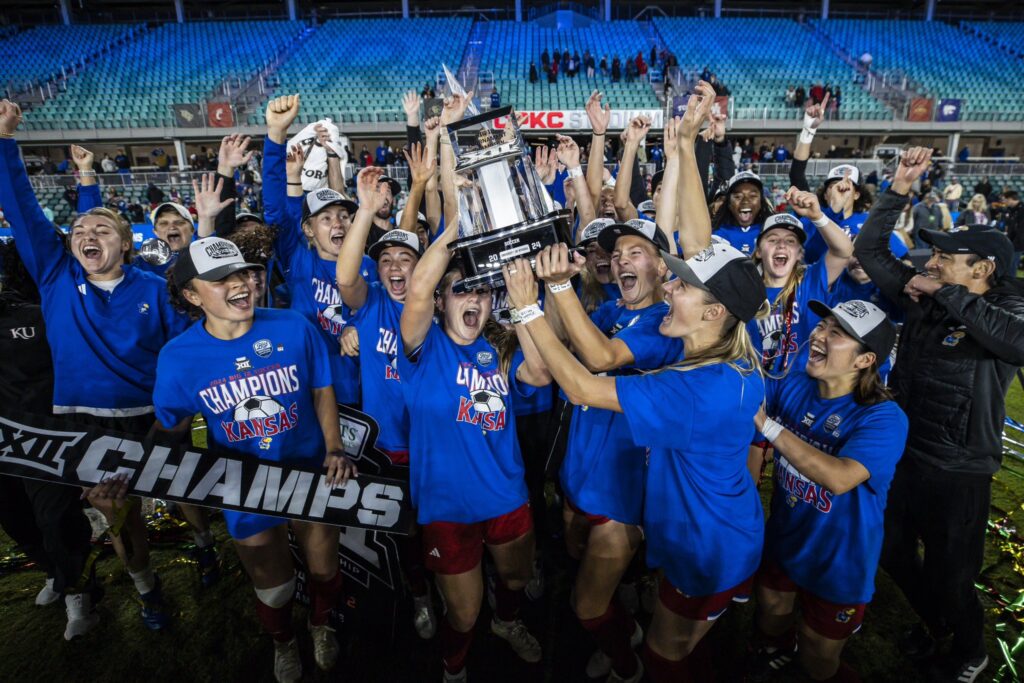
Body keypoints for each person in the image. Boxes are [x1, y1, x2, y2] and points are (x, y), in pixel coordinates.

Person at [503, 237, 768, 683]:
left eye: (682, 287)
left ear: (713, 312)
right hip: (712, 531)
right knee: (680, 646)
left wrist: (529, 308)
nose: (669, 290)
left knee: (666, 657)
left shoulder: (700, 387)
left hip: (708, 546)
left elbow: (585, 388)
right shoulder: (721, 365)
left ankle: (631, 667)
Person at [0, 99, 193, 633]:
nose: (87, 234)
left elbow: (186, 354)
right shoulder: (57, 278)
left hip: (156, 417)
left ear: (127, 245)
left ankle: (201, 545)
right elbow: (21, 210)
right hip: (86, 424)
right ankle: (148, 588)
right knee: (120, 514)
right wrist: (5, 140)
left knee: (188, 497)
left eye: (103, 230)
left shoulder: (158, 291)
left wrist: (173, 412)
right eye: (79, 229)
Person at [397, 91, 552, 682]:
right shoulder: (421, 345)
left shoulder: (502, 344)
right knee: (461, 614)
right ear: (441, 301)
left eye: (480, 293)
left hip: (506, 496)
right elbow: (416, 289)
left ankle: (508, 620)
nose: (473, 300)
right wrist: (465, 222)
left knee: (513, 581)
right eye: (461, 291)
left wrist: (523, 305)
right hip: (445, 507)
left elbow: (539, 376)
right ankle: (455, 665)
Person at [856, 147, 1024, 683]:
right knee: (894, 551)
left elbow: (1015, 341)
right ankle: (938, 626)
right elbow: (871, 250)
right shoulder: (924, 297)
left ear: (983, 268)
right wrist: (899, 187)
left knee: (954, 575)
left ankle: (970, 649)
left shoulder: (1009, 307)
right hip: (908, 452)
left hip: (960, 470)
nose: (931, 263)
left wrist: (947, 294)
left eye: (945, 258)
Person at [157, 236, 356, 682]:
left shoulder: (293, 326)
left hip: (307, 471)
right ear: (191, 295)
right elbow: (169, 426)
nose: (242, 284)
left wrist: (334, 448)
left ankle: (321, 624)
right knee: (276, 586)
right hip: (243, 485)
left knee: (326, 570)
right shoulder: (177, 358)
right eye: (221, 278)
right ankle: (283, 641)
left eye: (244, 273)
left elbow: (321, 387)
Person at [544, 218, 682, 682]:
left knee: (585, 604)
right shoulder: (612, 309)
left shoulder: (664, 324)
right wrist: (544, 290)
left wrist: (558, 284)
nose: (621, 258)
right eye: (617, 252)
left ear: (663, 268)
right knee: (578, 559)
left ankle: (627, 666)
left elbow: (602, 359)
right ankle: (625, 624)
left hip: (622, 490)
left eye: (636, 252)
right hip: (579, 472)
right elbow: (561, 344)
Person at [751, 300, 908, 682]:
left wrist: (769, 427)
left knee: (819, 655)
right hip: (786, 538)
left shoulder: (883, 417)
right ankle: (776, 655)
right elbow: (747, 409)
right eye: (821, 326)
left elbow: (839, 477)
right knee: (771, 616)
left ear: (864, 360)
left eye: (836, 334)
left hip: (840, 561)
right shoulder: (794, 382)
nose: (818, 335)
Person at [337, 160, 437, 641]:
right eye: (387, 261)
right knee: (397, 528)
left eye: (405, 259)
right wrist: (363, 209)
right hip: (383, 444)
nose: (396, 267)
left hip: (434, 444)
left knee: (433, 524)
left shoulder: (440, 307)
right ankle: (416, 593)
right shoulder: (372, 302)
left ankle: (435, 586)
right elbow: (344, 277)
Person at [261, 94, 378, 409]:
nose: (337, 223)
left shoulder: (369, 266)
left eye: (343, 215)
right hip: (311, 391)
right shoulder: (299, 260)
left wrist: (358, 326)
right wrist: (275, 137)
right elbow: (275, 210)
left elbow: (382, 315)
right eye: (325, 218)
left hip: (368, 391)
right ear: (309, 229)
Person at [998, 190, 1022, 273]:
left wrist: (1015, 243)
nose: (1004, 202)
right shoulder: (1011, 210)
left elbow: (1021, 230)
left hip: (1018, 243)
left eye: (1005, 199)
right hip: (1011, 241)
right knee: (1008, 265)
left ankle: (1010, 284)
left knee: (1011, 266)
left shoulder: (1022, 210)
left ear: (1010, 199)